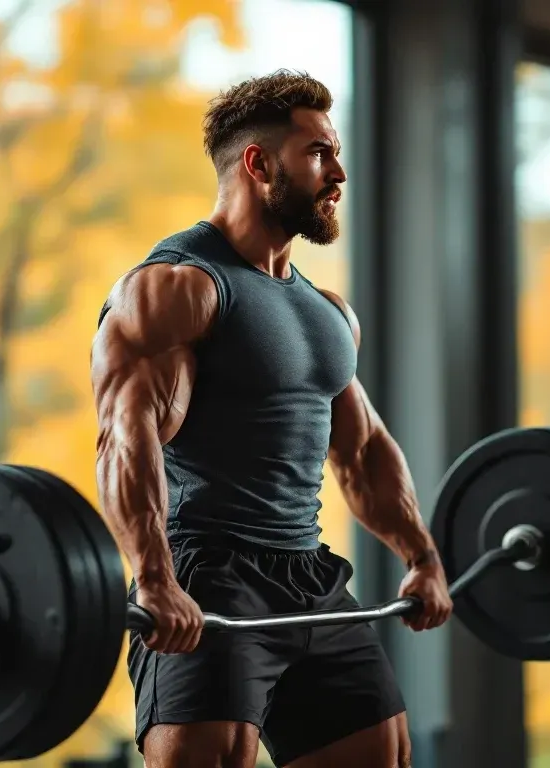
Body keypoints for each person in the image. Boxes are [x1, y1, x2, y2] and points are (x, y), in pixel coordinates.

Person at [91, 70, 453, 768]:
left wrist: (423, 556)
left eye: (336, 151)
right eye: (319, 152)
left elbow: (364, 449)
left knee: (384, 750)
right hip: (210, 575)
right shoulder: (177, 288)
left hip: (310, 576)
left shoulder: (328, 312)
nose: (339, 171)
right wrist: (155, 578)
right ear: (259, 164)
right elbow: (124, 435)